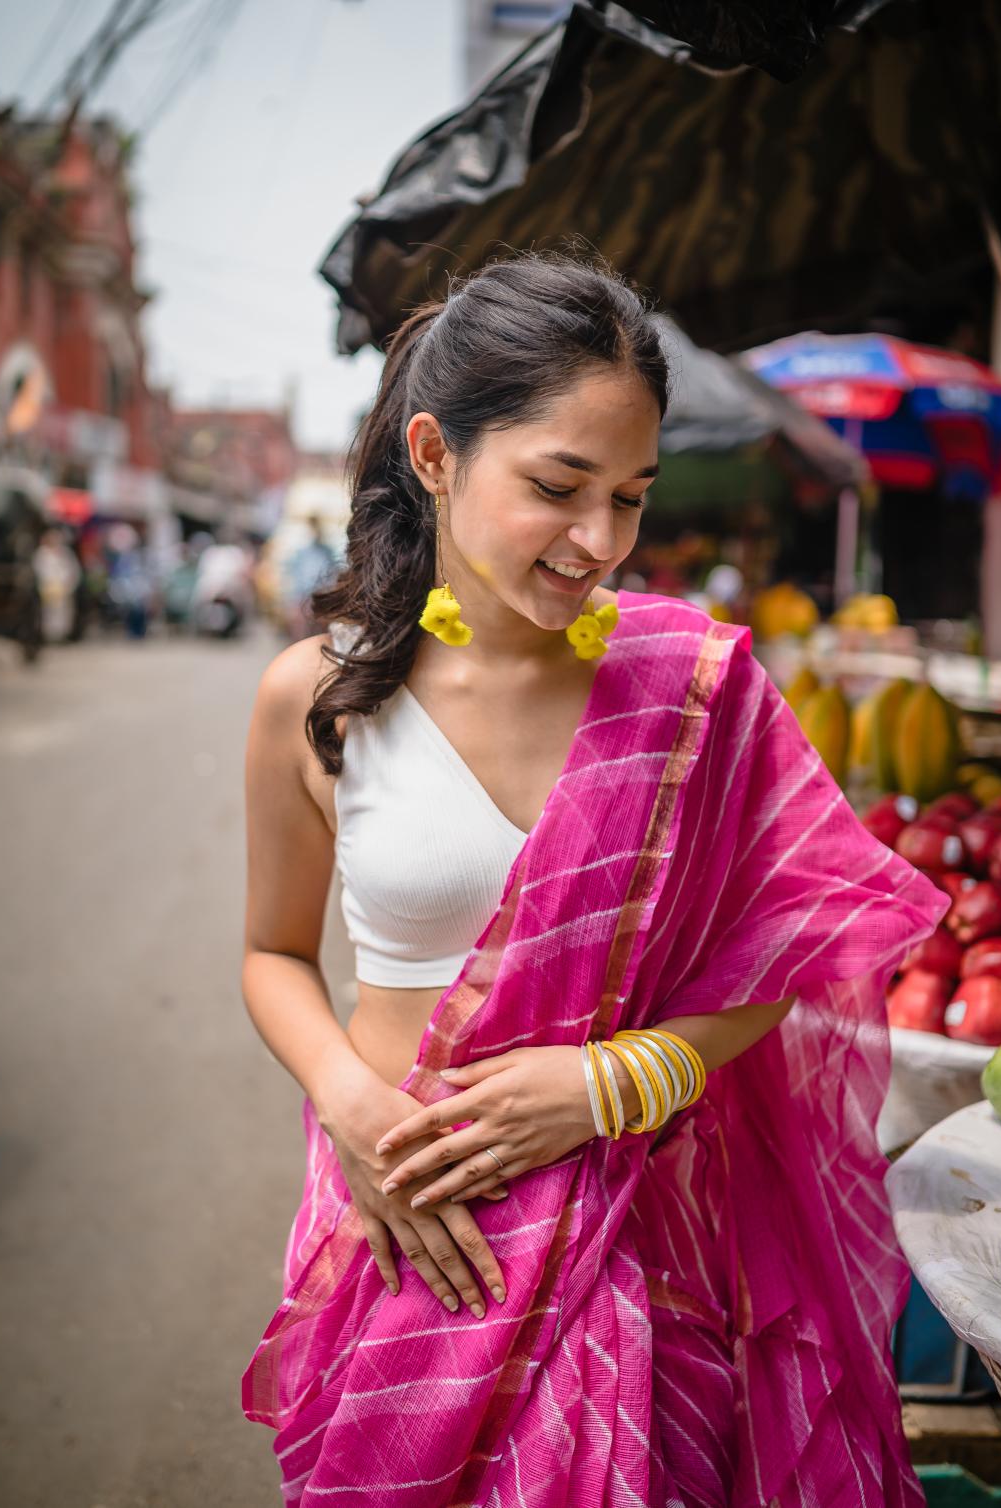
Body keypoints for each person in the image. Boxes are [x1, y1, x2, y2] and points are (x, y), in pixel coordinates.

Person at [240, 253, 948, 1506]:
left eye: (630, 495)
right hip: (408, 1225)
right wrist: (347, 1100)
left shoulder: (695, 691)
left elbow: (786, 946)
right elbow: (274, 955)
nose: (602, 541)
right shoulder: (321, 694)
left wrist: (618, 1077)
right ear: (436, 453)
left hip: (637, 1228)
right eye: (558, 486)